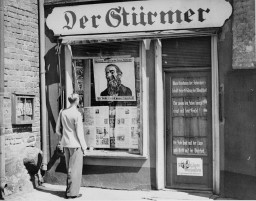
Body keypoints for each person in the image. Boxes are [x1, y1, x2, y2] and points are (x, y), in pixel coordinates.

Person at [56, 93, 87, 199]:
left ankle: (68, 190)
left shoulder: (62, 112)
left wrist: (65, 135)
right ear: (77, 100)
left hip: (66, 144)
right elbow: (79, 133)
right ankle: (72, 193)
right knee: (75, 169)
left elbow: (57, 130)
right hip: (76, 144)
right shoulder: (77, 114)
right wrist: (84, 147)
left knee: (69, 168)